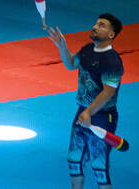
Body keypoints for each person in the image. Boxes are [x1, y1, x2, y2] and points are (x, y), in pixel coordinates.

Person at [47, 14, 124, 189]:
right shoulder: (88, 50)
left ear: (111, 34)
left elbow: (108, 92)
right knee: (74, 160)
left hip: (103, 116)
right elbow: (71, 63)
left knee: (99, 166)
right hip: (83, 111)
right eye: (96, 23)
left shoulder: (112, 61)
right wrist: (62, 46)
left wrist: (89, 112)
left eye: (102, 25)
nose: (96, 26)